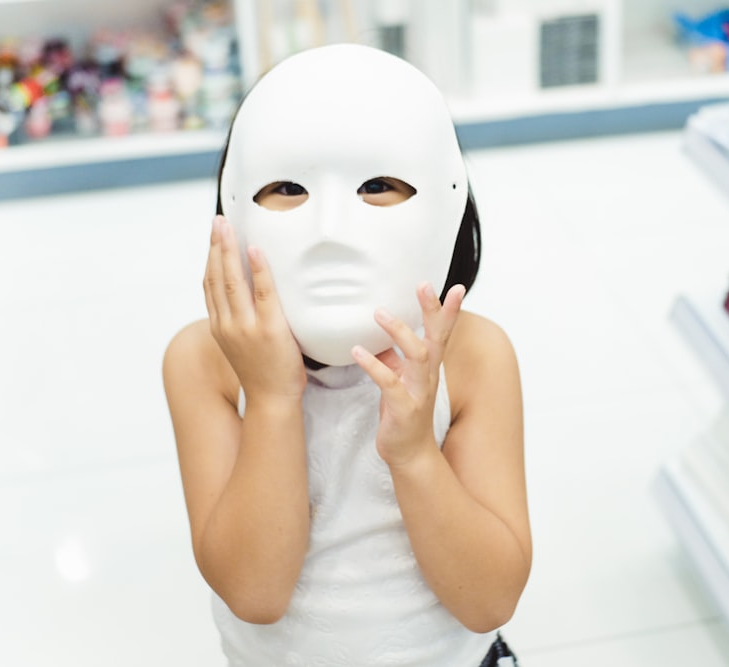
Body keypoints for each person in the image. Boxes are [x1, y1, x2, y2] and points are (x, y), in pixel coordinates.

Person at [163, 43, 530, 666]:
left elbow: (490, 600)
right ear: (232, 207)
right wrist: (274, 400)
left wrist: (414, 451)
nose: (330, 228)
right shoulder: (206, 363)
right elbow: (254, 592)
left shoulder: (474, 358)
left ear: (449, 199)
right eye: (286, 187)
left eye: (379, 185)